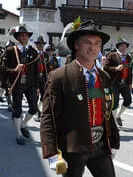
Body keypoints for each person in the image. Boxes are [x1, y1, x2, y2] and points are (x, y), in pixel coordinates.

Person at [40, 20, 120, 177]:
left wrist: (114, 140)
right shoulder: (59, 77)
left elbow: (108, 112)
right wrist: (51, 154)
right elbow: (49, 117)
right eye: (87, 42)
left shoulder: (104, 76)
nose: (93, 47)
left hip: (101, 146)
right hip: (73, 147)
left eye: (97, 43)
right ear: (76, 45)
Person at [2, 25, 39, 145]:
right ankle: (18, 135)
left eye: (26, 35)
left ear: (28, 37)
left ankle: (23, 125)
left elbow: (36, 71)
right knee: (17, 110)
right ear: (17, 37)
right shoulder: (10, 51)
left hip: (30, 84)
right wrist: (14, 70)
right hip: (16, 84)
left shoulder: (33, 52)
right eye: (21, 35)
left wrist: (38, 86)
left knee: (33, 108)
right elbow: (2, 69)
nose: (24, 37)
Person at [104, 38, 132, 126]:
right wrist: (115, 68)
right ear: (118, 47)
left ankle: (118, 116)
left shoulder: (128, 57)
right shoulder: (112, 55)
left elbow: (129, 71)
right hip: (115, 83)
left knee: (128, 100)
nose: (124, 48)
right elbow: (105, 67)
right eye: (122, 46)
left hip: (125, 83)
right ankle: (114, 123)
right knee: (114, 103)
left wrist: (130, 83)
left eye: (125, 46)